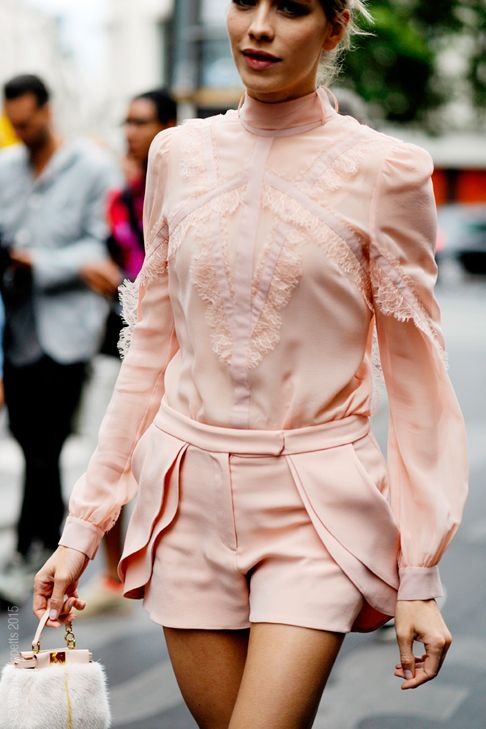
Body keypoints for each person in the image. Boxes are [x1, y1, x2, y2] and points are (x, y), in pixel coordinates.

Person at [34, 1, 468, 726]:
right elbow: (148, 356)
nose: (259, 26)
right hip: (186, 501)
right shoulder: (175, 154)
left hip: (316, 505)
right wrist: (82, 529)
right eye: (244, 2)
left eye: (292, 8)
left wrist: (419, 574)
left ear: (333, 29)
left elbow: (421, 385)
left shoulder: (388, 170)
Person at [0, 74, 117, 605]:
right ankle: (35, 543)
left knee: (46, 444)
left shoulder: (92, 168)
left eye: (28, 122)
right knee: (28, 441)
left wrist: (37, 260)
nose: (22, 133)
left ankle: (39, 545)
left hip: (68, 330)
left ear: (47, 111)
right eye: (13, 125)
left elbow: (101, 249)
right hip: (20, 331)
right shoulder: (6, 168)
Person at [82, 88, 178, 616]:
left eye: (141, 121)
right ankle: (113, 574)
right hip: (125, 341)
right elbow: (122, 262)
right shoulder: (121, 198)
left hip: (180, 347)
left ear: (167, 125)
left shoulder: (188, 186)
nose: (131, 131)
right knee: (110, 447)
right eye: (127, 121)